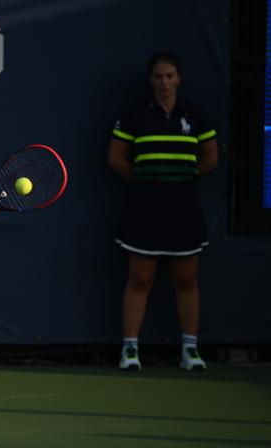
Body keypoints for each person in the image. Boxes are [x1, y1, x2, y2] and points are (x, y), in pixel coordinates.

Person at [108, 51, 218, 372]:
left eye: (170, 76)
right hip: (145, 207)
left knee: (187, 280)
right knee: (140, 278)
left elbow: (210, 159)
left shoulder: (195, 115)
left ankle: (190, 351)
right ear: (150, 80)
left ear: (179, 79)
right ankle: (130, 351)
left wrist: (180, 180)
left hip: (184, 207)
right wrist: (147, 182)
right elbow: (116, 159)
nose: (164, 82)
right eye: (158, 76)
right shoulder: (135, 115)